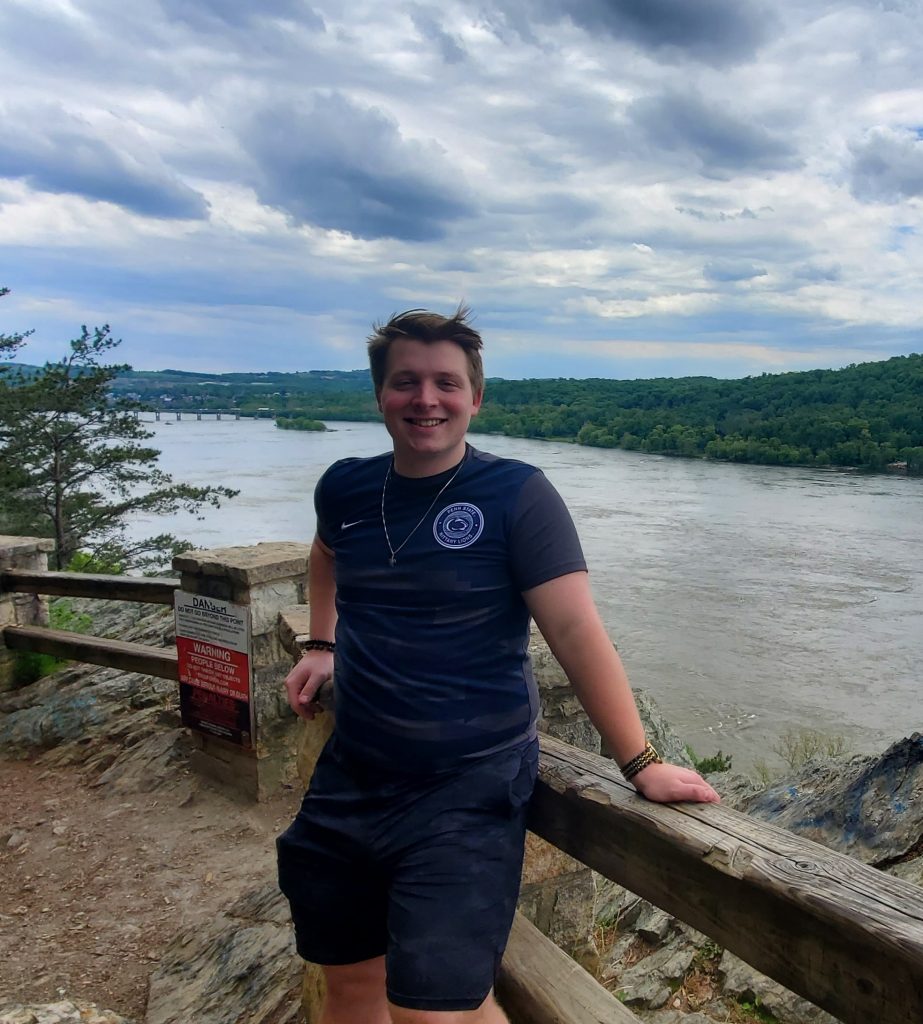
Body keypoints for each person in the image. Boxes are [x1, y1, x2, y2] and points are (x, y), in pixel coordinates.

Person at [277, 307, 719, 1024]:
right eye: (406, 382)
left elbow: (575, 630)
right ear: (380, 395)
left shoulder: (518, 496)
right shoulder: (346, 488)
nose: (426, 400)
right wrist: (321, 645)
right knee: (347, 979)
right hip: (351, 776)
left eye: (446, 383)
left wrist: (638, 762)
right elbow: (326, 553)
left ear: (475, 399)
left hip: (466, 787)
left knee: (434, 1008)